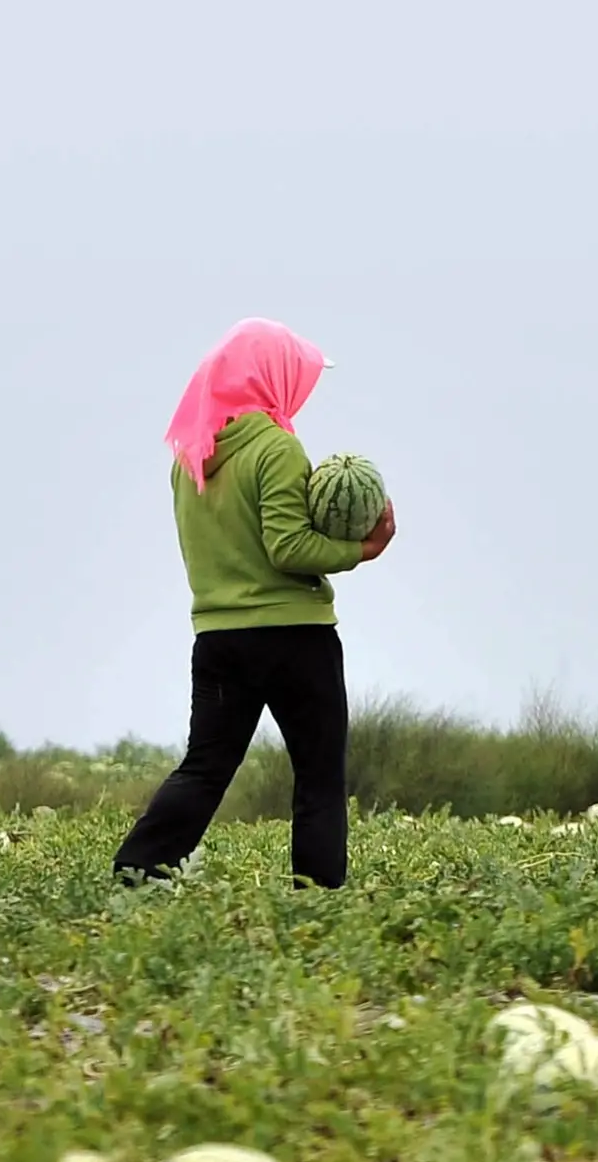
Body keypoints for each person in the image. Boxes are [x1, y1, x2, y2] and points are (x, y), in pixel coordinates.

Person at [113, 319, 394, 890]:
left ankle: (138, 869)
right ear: (273, 377)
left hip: (218, 638)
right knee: (318, 776)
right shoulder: (276, 447)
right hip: (295, 636)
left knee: (206, 766)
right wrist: (363, 548)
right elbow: (289, 547)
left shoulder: (189, 458)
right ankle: (315, 894)